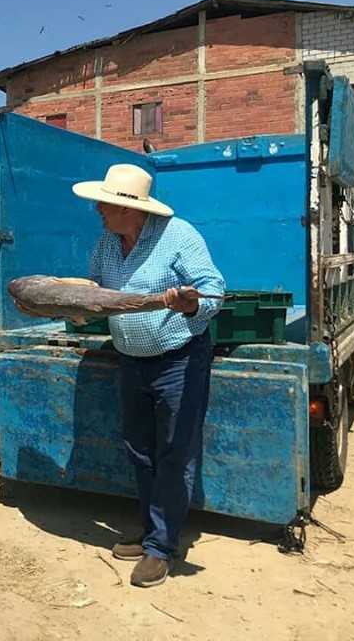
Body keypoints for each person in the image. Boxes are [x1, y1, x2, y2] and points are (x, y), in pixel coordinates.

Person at [72, 163, 225, 588]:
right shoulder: (107, 243)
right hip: (130, 361)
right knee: (140, 451)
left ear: (129, 209)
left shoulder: (179, 236)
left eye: (104, 204)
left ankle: (161, 548)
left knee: (174, 453)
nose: (98, 210)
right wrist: (76, 302)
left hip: (178, 361)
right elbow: (98, 289)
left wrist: (191, 304)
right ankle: (151, 530)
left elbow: (213, 289)